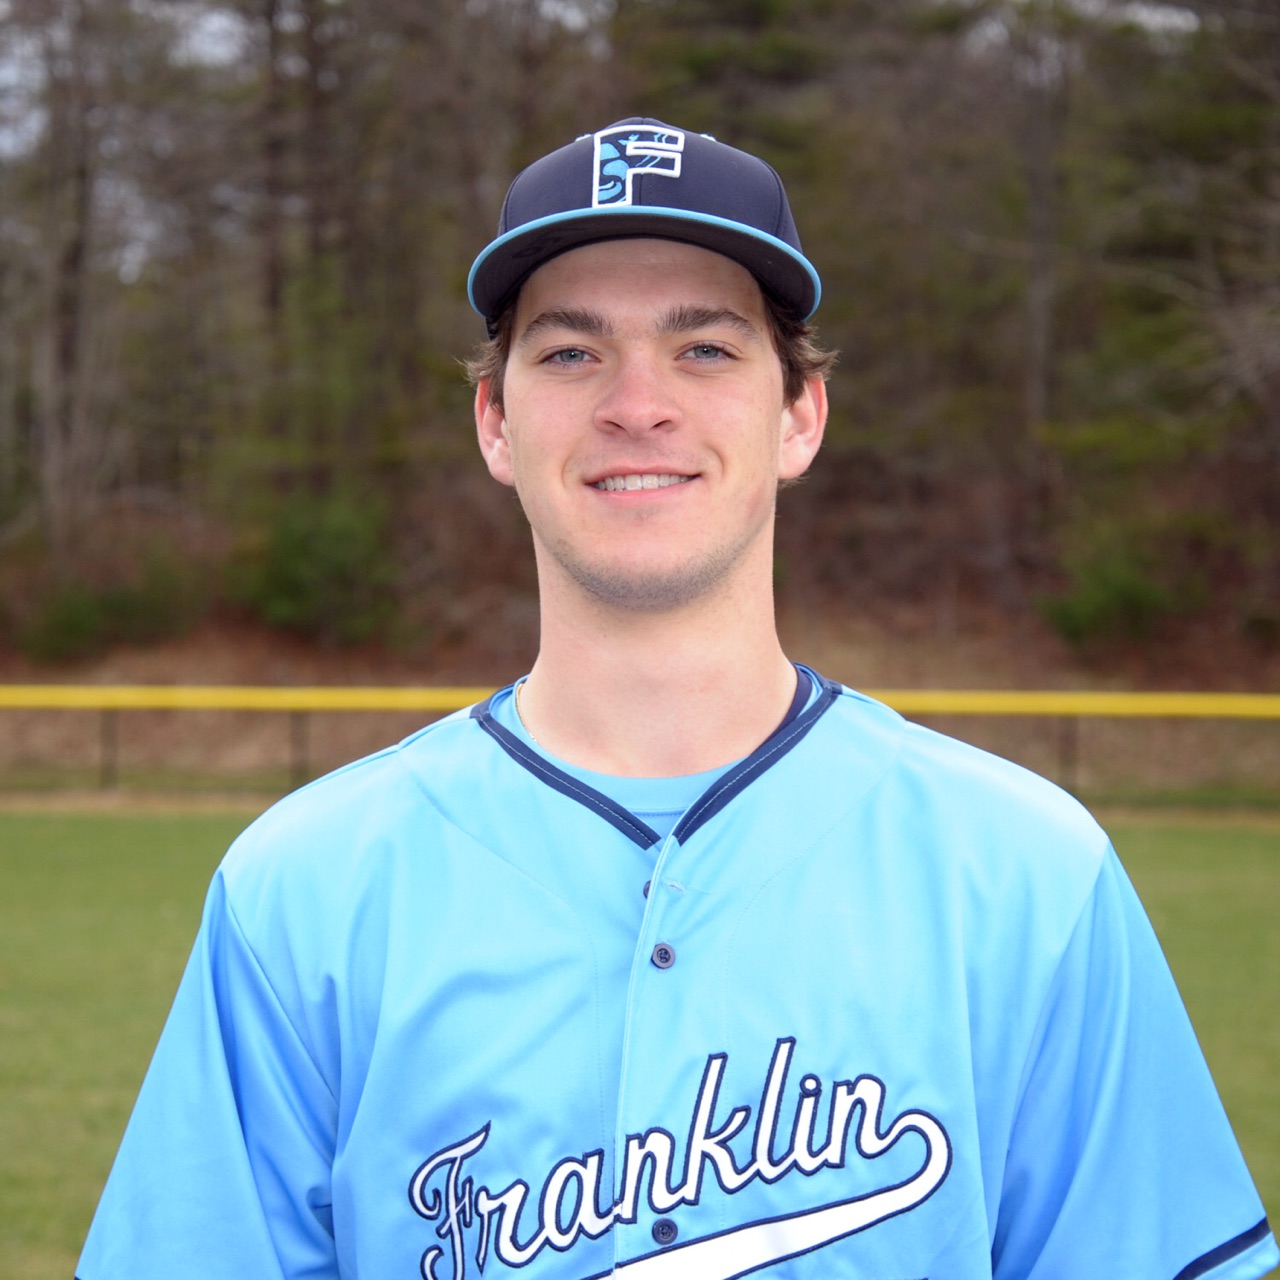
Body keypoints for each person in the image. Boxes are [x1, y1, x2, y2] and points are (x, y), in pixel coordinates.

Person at [78, 118, 1277, 1280]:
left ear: (797, 414)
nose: (634, 402)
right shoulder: (306, 893)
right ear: (495, 421)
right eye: (568, 351)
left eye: (703, 347)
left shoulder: (1025, 877)